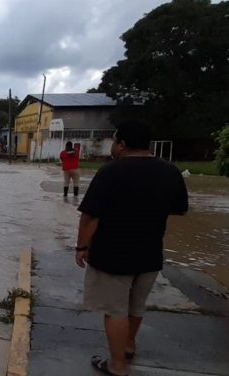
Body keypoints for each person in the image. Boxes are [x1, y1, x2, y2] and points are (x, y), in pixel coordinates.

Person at [75, 120, 188, 376]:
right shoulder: (170, 171)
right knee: (136, 306)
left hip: (112, 254)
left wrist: (81, 246)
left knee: (116, 310)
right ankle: (127, 346)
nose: (113, 146)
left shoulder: (111, 171)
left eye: (114, 141)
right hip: (150, 253)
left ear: (122, 144)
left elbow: (90, 216)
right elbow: (179, 210)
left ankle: (117, 365)